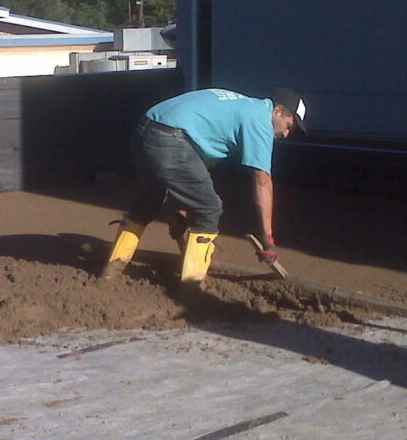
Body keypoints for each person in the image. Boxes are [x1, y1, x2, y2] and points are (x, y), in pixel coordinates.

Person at [100, 87, 308, 289]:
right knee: (209, 208)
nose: (287, 133)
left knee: (150, 201)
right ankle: (192, 289)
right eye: (288, 125)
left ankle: (110, 272)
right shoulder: (261, 121)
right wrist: (267, 237)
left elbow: (190, 170)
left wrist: (182, 209)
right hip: (170, 138)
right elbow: (262, 181)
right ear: (278, 110)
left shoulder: (241, 105)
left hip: (145, 130)